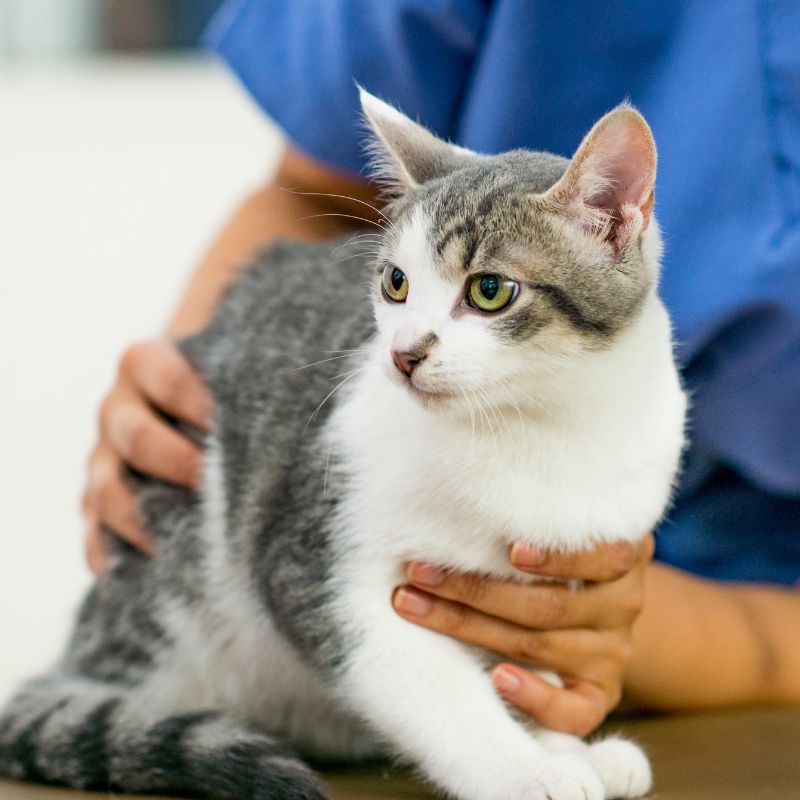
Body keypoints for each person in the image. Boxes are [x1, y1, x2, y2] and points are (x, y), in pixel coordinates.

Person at [82, 1, 800, 737]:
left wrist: (623, 622)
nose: (408, 343)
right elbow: (312, 202)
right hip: (371, 621)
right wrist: (180, 404)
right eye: (393, 289)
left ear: (619, 224)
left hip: (731, 662)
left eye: (489, 292)